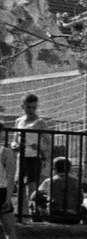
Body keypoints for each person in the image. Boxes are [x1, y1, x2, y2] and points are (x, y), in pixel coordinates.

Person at [13, 93, 48, 221]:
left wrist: (38, 147)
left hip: (34, 157)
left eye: (34, 107)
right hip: (21, 157)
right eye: (28, 107)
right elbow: (14, 140)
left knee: (31, 189)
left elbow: (48, 141)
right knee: (20, 187)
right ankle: (21, 217)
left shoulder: (40, 122)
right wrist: (15, 146)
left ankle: (34, 217)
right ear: (23, 106)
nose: (31, 110)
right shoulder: (19, 121)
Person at [37, 157, 86, 225]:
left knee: (35, 203)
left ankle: (37, 224)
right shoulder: (76, 181)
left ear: (54, 168)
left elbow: (34, 196)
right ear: (69, 168)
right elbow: (81, 199)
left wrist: (46, 198)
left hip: (54, 216)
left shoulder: (49, 181)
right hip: (73, 216)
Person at [0, 138, 19, 239]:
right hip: (1, 193)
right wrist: (8, 198)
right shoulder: (5, 152)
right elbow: (10, 176)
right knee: (10, 233)